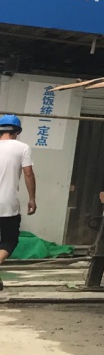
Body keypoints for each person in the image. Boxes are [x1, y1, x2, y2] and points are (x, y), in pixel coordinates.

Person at [0, 114, 36, 286]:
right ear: (17, 131)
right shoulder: (23, 148)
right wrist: (32, 198)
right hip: (8, 204)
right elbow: (28, 173)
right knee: (9, 240)